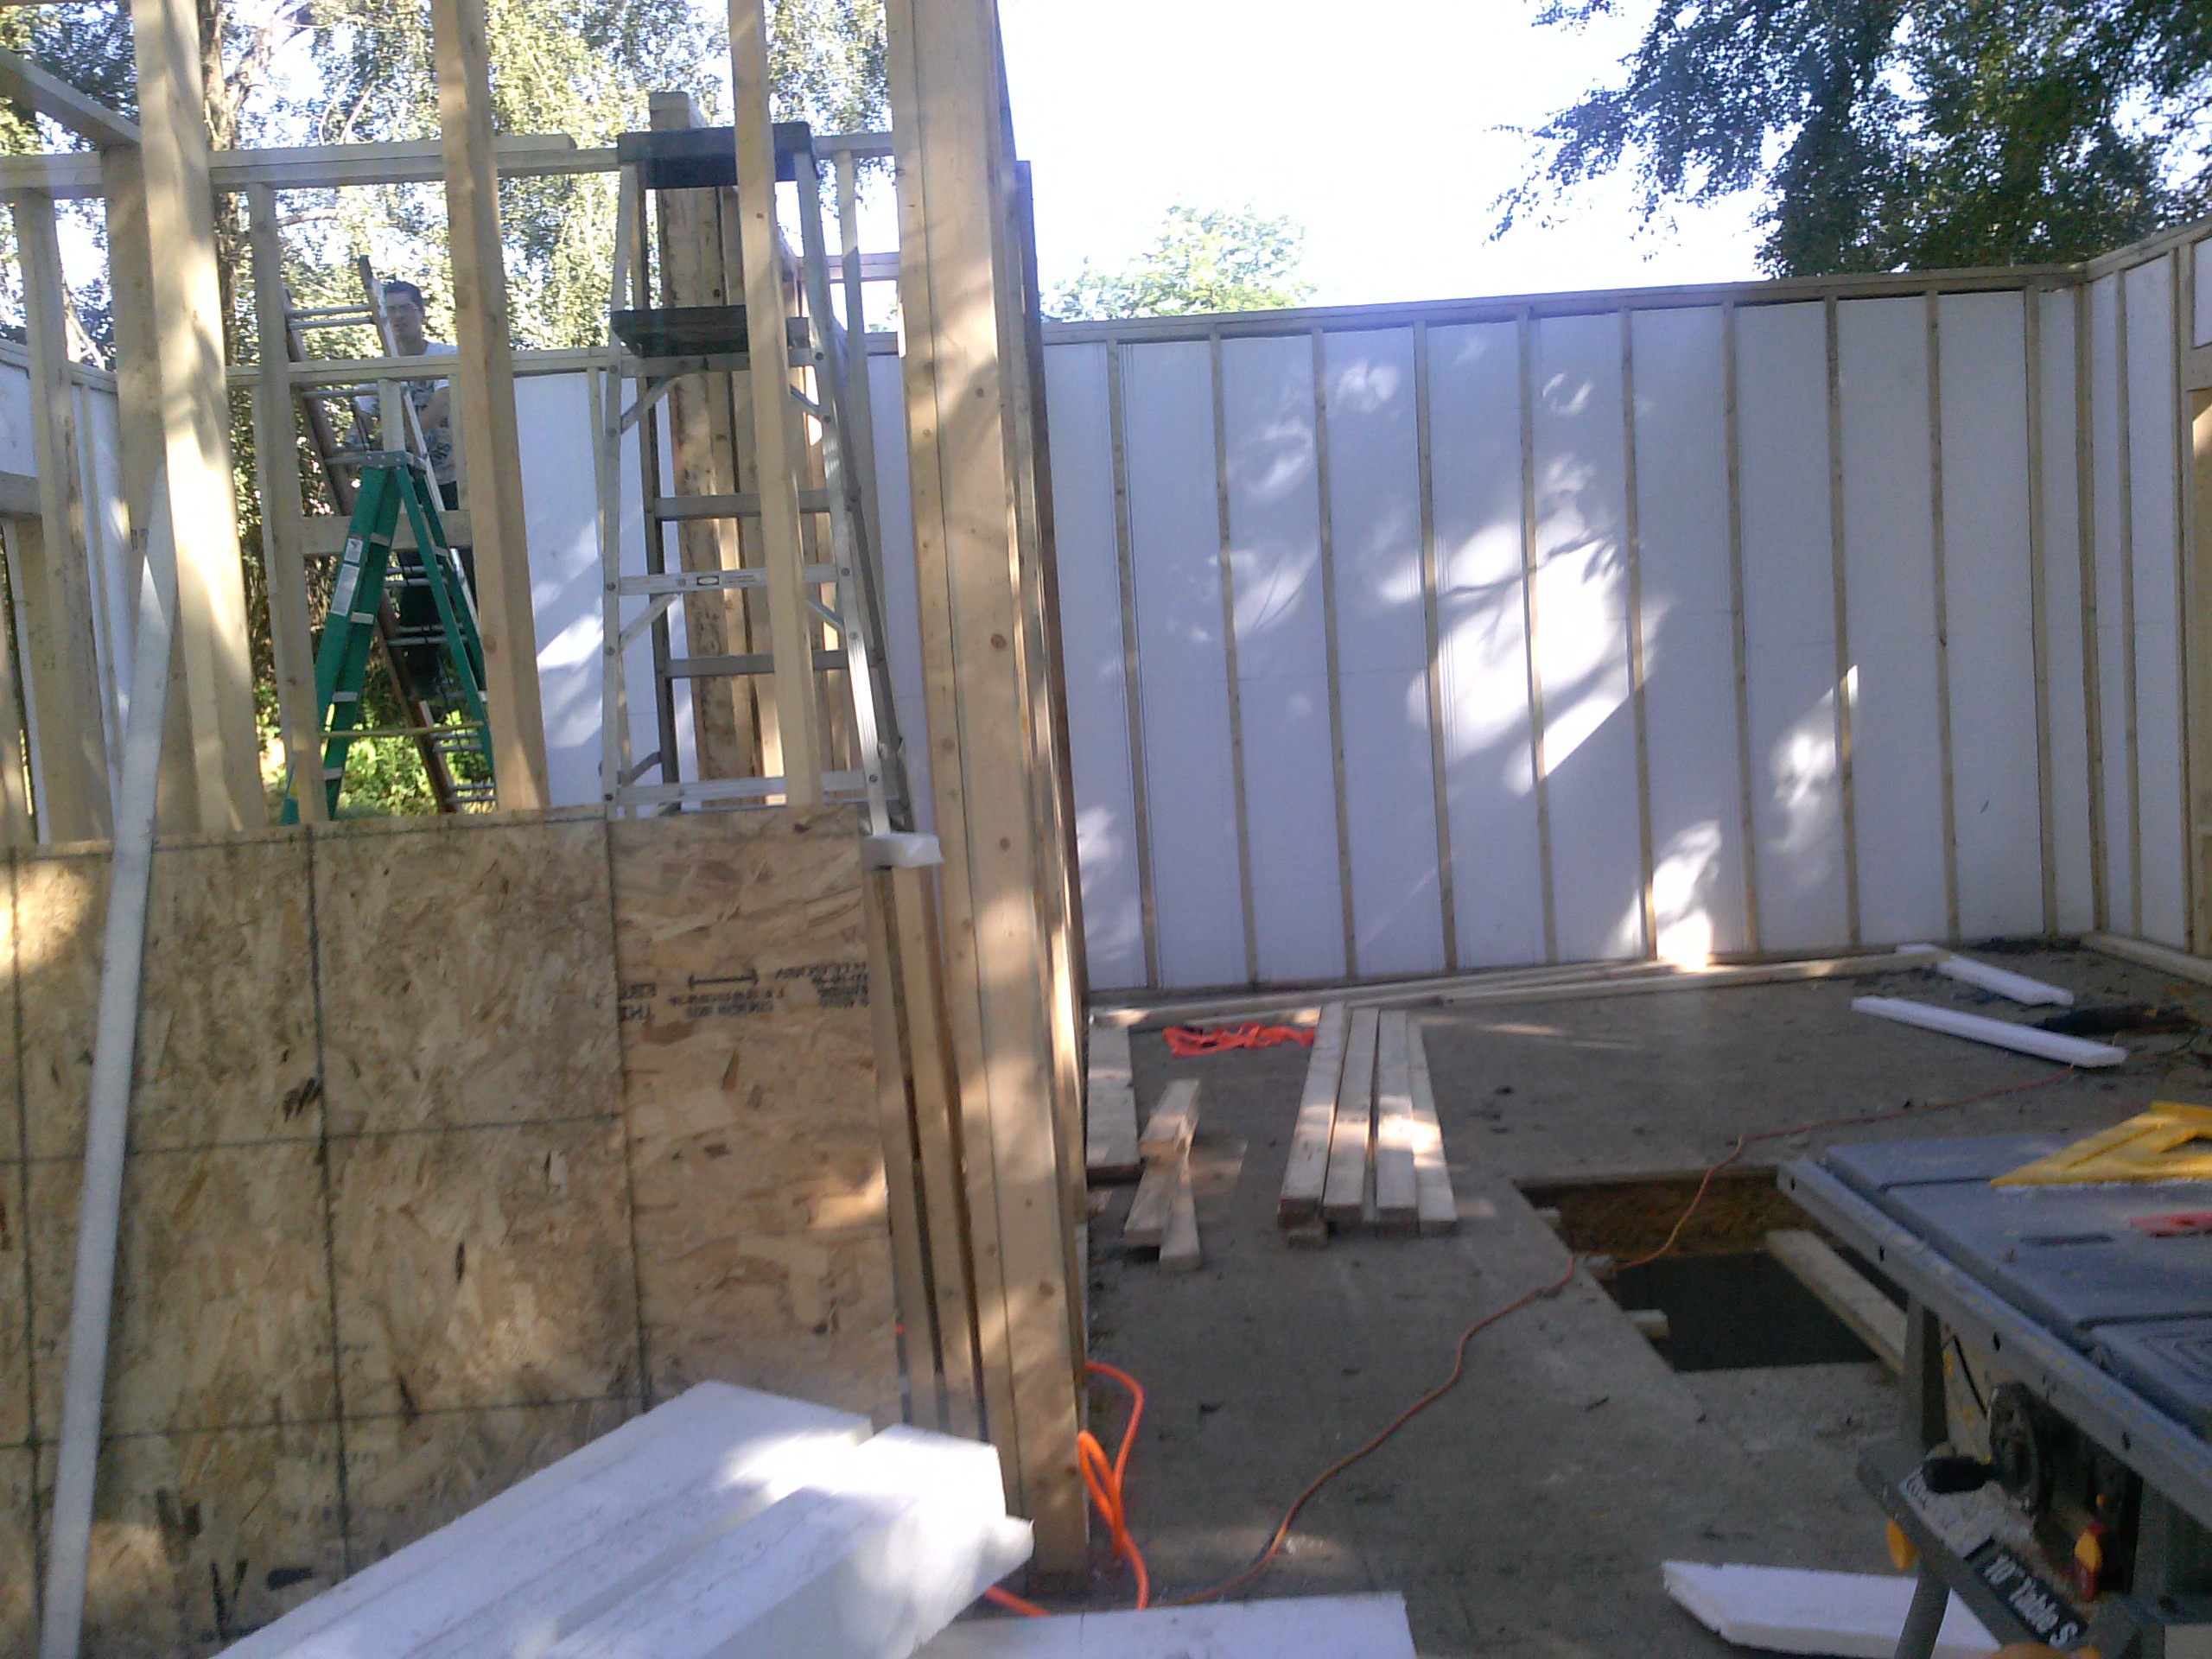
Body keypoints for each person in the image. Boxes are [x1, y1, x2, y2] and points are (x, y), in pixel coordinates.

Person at [379, 279, 461, 508]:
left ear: (421, 313)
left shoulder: (445, 356)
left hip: (453, 478)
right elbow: (363, 416)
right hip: (402, 479)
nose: (398, 316)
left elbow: (443, 402)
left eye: (405, 308)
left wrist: (392, 441)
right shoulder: (380, 366)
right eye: (391, 310)